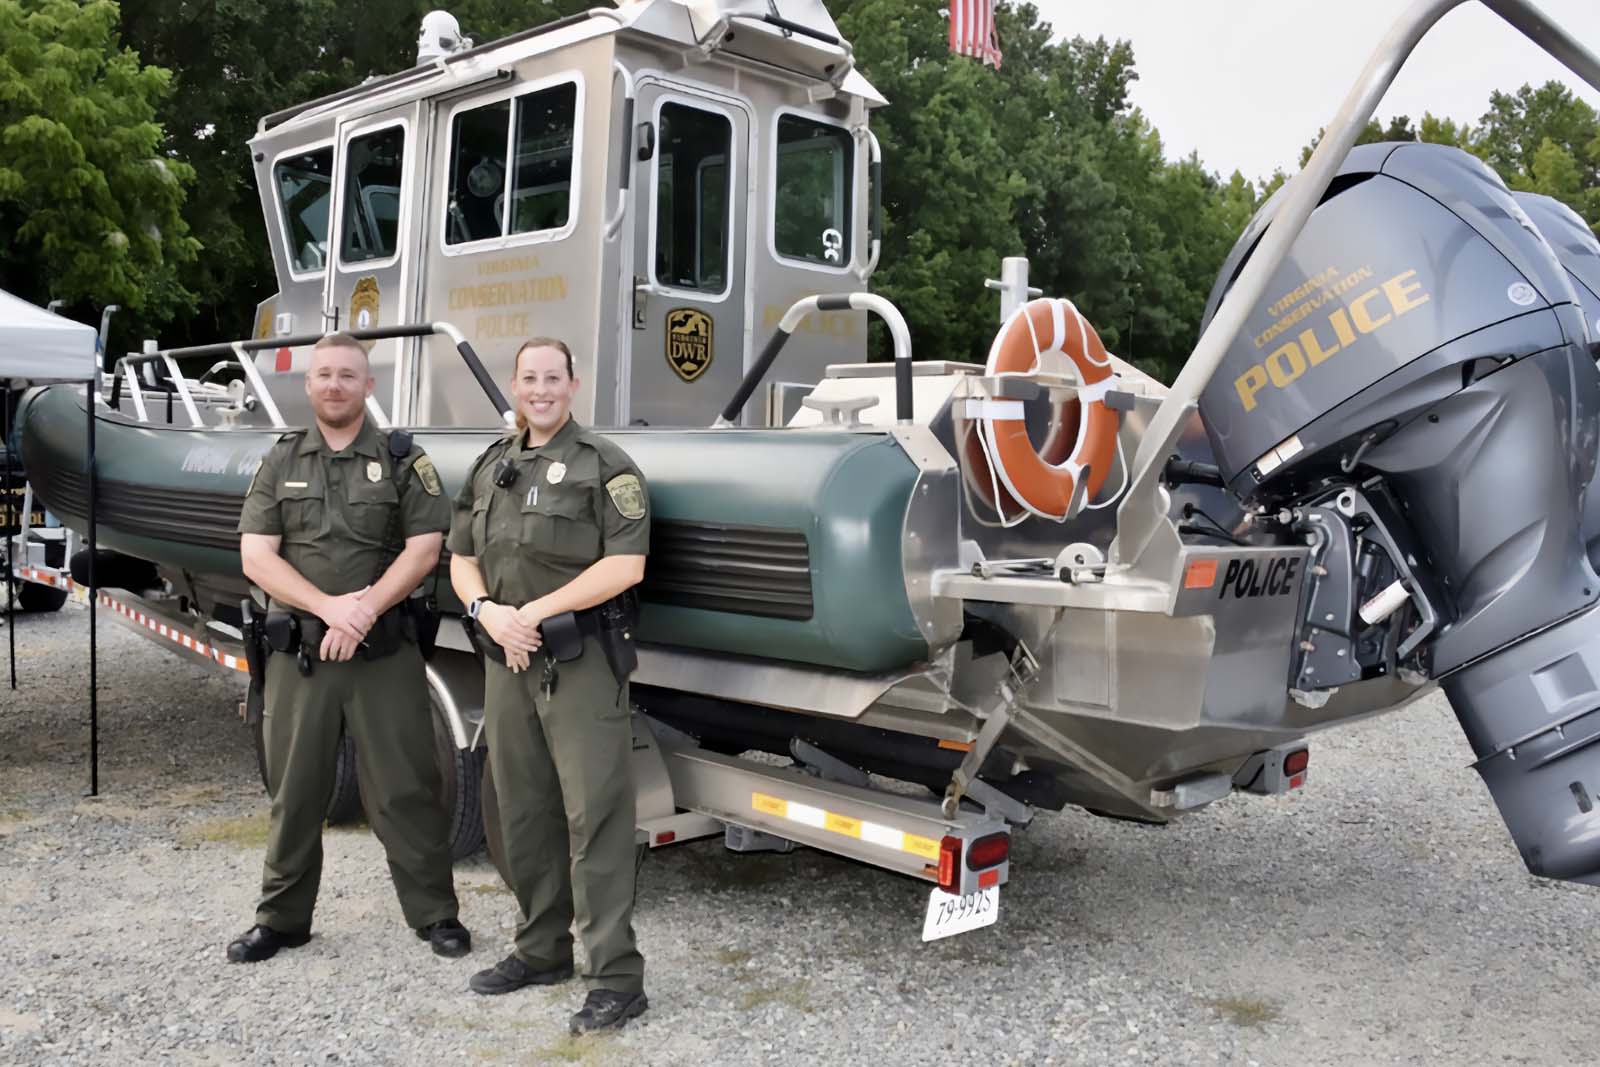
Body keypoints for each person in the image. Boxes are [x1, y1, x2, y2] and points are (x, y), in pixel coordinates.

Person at [227, 332, 470, 963]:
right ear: (309, 386)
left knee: (405, 788)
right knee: (296, 790)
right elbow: (256, 554)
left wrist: (362, 611)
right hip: (301, 657)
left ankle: (436, 914)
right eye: (323, 375)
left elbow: (424, 548)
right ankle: (282, 919)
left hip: (382, 655)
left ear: (369, 386)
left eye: (347, 375)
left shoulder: (401, 460)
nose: (334, 385)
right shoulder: (281, 461)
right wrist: (329, 607)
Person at [448, 337, 650, 1034]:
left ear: (574, 383)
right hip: (506, 659)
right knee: (522, 811)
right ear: (514, 383)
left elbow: (627, 565)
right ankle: (541, 950)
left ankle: (617, 978)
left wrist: (532, 612)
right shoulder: (493, 463)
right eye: (529, 377)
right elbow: (460, 558)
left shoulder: (604, 466)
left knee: (594, 817)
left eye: (553, 377)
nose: (540, 388)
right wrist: (486, 612)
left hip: (580, 662)